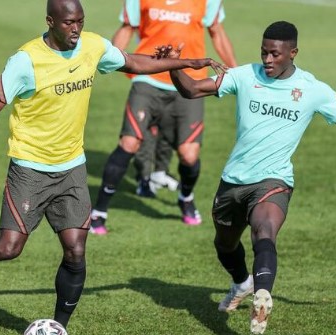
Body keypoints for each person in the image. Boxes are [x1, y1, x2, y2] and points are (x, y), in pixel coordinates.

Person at [0, 0, 227, 330]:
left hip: (71, 169)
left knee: (75, 250)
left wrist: (188, 61)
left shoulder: (92, 46)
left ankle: (58, 326)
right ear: (50, 21)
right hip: (30, 169)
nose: (76, 29)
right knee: (7, 248)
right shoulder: (26, 61)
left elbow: (134, 62)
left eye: (80, 21)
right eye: (69, 23)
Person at [161, 21, 336, 334]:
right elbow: (190, 90)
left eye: (275, 55)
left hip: (274, 181)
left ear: (293, 53)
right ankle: (243, 282)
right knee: (224, 245)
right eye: (264, 53)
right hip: (233, 181)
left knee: (264, 231)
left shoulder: (314, 90)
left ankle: (262, 295)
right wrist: (171, 66)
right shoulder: (244, 75)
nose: (268, 60)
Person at [90, 0, 237, 234]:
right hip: (148, 79)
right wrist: (108, 62)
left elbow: (217, 32)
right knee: (129, 143)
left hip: (190, 83)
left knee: (189, 155)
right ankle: (99, 212)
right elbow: (127, 28)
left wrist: (235, 71)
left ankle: (185, 197)